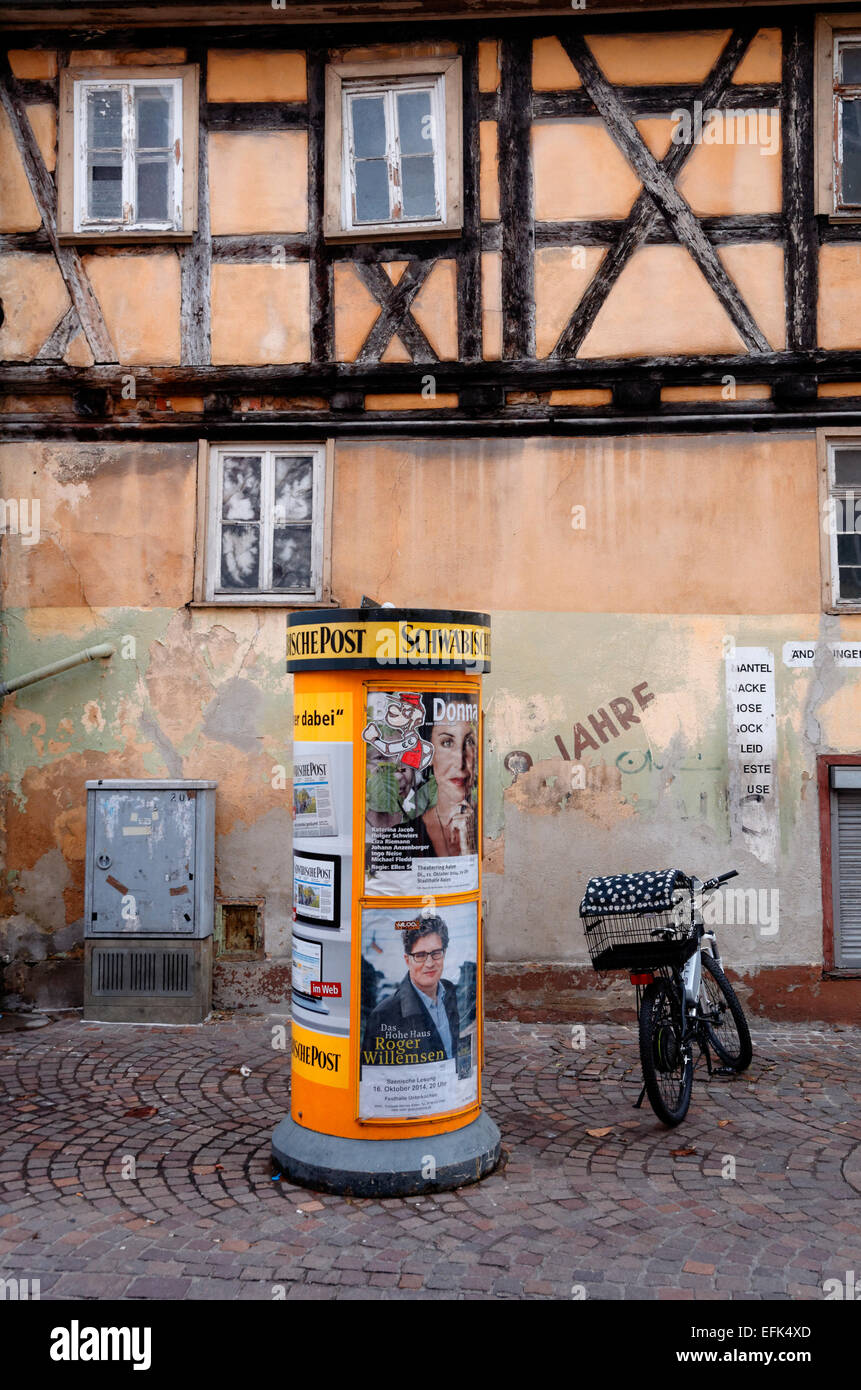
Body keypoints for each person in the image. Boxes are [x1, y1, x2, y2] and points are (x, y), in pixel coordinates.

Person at [361, 917, 460, 1063]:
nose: (429, 963)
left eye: (436, 953)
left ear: (444, 953)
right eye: (420, 955)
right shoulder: (383, 1015)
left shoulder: (450, 992)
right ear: (407, 960)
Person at [417, 710, 477, 857]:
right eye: (447, 743)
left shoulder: (494, 826)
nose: (460, 762)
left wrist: (468, 847)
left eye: (469, 742)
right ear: (428, 753)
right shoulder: (407, 834)